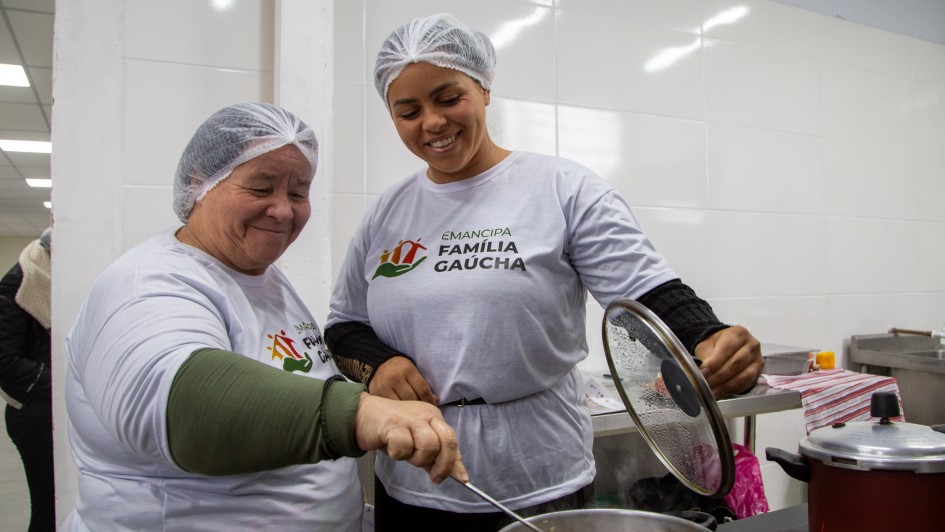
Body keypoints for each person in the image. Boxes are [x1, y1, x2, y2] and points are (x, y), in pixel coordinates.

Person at [325, 13, 764, 531]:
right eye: (408, 111)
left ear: (484, 88)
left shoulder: (561, 189)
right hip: (416, 479)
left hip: (539, 478)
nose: (432, 123)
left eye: (448, 98)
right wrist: (378, 365)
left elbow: (649, 294)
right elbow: (344, 324)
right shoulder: (388, 212)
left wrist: (710, 336)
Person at [63, 102, 466, 531]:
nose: (283, 210)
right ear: (200, 183)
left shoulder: (261, 278)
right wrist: (363, 414)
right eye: (260, 188)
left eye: (298, 193)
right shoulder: (148, 282)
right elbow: (178, 405)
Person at [0, 227, 55, 532]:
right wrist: (58, 380)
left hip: (51, 403)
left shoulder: (50, 276)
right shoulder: (22, 280)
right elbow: (5, 361)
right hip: (32, 411)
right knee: (49, 504)